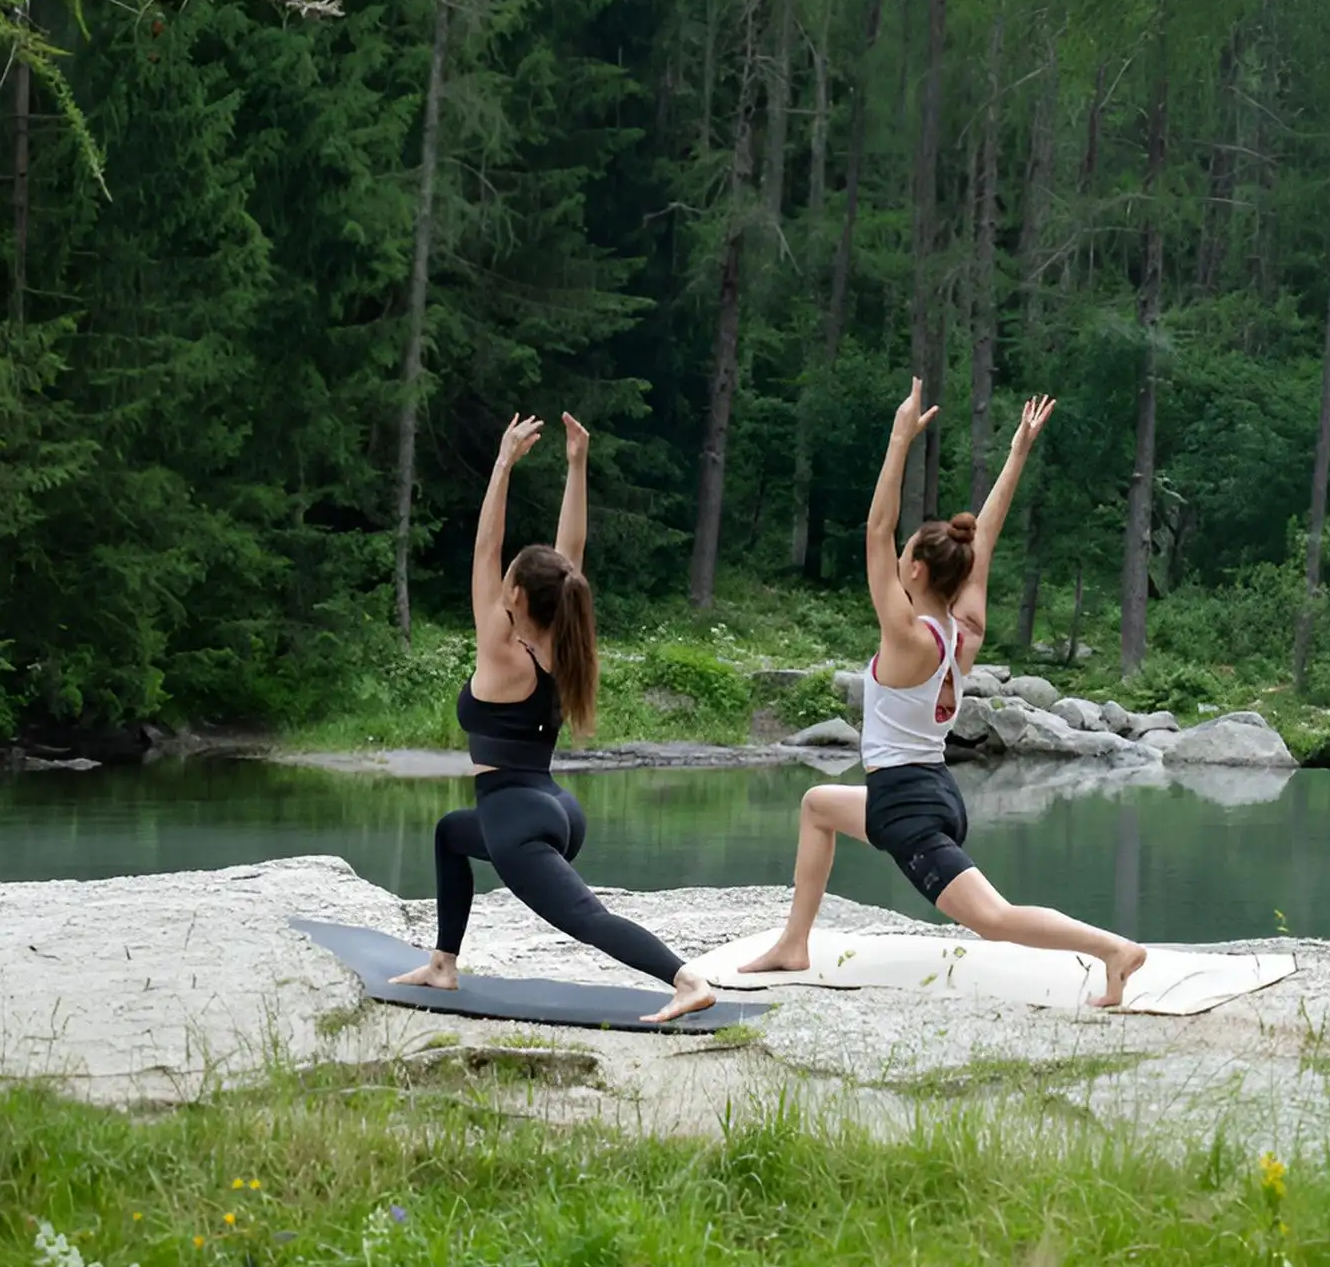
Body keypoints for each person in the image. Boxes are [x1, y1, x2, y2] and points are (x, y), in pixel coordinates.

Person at [735, 379, 1148, 1008]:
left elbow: (877, 528)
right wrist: (1016, 454)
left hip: (909, 806)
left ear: (918, 572)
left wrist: (900, 439)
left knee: (992, 919)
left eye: (905, 556)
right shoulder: (965, 632)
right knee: (818, 804)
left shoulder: (906, 636)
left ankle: (1113, 951)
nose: (897, 558)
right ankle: (796, 942)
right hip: (930, 789)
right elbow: (982, 540)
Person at [391, 413, 721, 1023]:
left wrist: (502, 464)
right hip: (554, 808)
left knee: (586, 920)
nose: (503, 579)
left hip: (517, 819)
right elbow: (570, 557)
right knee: (449, 833)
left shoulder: (502, 648)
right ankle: (443, 963)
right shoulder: (559, 642)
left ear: (515, 598)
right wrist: (576, 465)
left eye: (510, 579)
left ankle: (685, 979)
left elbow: (487, 546)